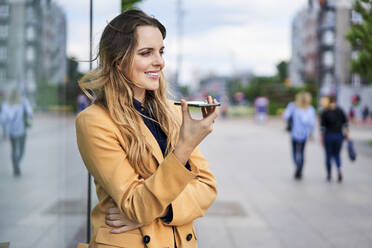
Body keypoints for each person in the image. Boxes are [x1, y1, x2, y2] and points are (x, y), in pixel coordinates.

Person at [75, 9, 219, 248]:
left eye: (161, 52)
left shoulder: (174, 112)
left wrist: (158, 213)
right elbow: (135, 205)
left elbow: (207, 188)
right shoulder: (95, 122)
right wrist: (185, 145)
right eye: (146, 53)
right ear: (118, 62)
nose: (159, 62)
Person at [283, 92, 316, 180]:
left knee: (294, 152)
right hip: (304, 134)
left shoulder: (293, 106)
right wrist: (311, 133)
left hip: (294, 133)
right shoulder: (310, 109)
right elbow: (312, 123)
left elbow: (285, 116)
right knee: (301, 152)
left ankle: (297, 165)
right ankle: (300, 168)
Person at [1, 89, 33, 176]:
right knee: (22, 150)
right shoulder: (22, 103)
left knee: (14, 150)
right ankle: (17, 163)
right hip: (22, 131)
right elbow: (30, 112)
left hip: (12, 132)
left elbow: (3, 120)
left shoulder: (6, 106)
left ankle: (15, 164)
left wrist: (4, 130)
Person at [320, 95, 348, 182]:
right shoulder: (340, 111)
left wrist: (321, 138)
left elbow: (322, 127)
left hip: (328, 136)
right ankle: (339, 169)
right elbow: (345, 123)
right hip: (338, 136)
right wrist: (347, 133)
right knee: (337, 154)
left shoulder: (325, 112)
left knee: (328, 155)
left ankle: (329, 175)